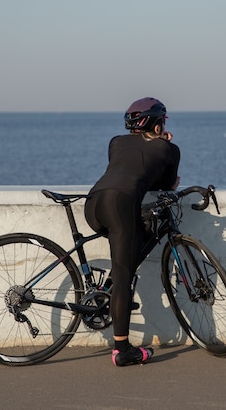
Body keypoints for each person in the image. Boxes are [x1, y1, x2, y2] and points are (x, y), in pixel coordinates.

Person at [84, 97, 181, 366]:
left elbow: (123, 168)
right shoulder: (169, 150)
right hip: (120, 205)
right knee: (124, 275)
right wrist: (166, 145)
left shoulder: (116, 142)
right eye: (162, 121)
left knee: (133, 244)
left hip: (94, 204)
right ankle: (123, 350)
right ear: (157, 124)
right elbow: (167, 184)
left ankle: (113, 283)